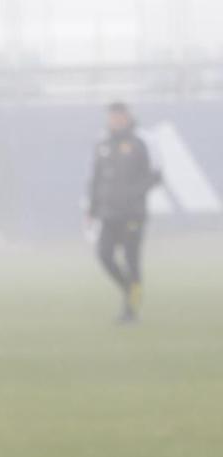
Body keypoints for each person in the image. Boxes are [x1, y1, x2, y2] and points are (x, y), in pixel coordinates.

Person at [87, 101, 162, 323]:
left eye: (120, 115)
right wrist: (92, 207)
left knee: (131, 260)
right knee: (104, 255)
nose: (116, 120)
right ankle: (129, 288)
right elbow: (96, 178)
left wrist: (134, 193)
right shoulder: (102, 142)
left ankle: (132, 309)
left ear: (128, 116)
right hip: (108, 213)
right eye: (112, 116)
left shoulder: (142, 140)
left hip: (133, 214)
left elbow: (156, 174)